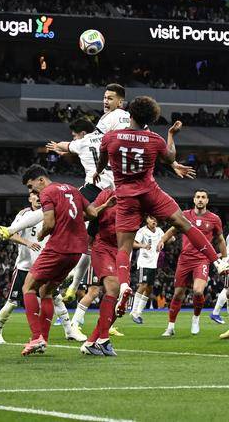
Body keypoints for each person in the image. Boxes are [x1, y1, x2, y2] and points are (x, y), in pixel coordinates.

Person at [93, 97, 228, 317]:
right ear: (151, 119)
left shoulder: (111, 137)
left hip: (125, 196)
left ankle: (125, 285)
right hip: (150, 193)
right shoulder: (154, 140)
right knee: (185, 224)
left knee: (124, 248)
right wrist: (171, 135)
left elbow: (102, 159)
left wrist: (98, 172)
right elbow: (171, 157)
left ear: (130, 114)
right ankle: (218, 262)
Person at [45, 83, 130, 302]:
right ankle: (74, 285)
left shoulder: (90, 137)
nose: (105, 101)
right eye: (105, 98)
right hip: (114, 194)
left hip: (94, 189)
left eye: (109, 98)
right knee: (91, 241)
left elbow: (69, 145)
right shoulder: (114, 135)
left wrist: (59, 146)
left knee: (61, 209)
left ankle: (18, 231)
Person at [17, 165, 113, 356]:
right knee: (46, 291)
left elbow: (49, 222)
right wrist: (105, 206)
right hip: (77, 251)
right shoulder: (72, 189)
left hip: (58, 246)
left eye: (31, 186)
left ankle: (36, 337)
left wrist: (41, 234)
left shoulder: (47, 192)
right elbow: (92, 214)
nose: (33, 192)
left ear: (41, 180)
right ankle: (43, 340)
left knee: (28, 287)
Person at [0, 192, 82, 344]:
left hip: (44, 265)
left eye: (39, 195)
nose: (38, 198)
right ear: (29, 198)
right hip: (24, 266)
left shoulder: (50, 212)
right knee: (12, 302)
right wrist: (28, 243)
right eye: (34, 195)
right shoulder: (24, 214)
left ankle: (69, 331)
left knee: (56, 298)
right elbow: (10, 233)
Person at [157, 189, 227, 336]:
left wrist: (225, 259)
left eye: (203, 197)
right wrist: (162, 240)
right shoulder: (185, 215)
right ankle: (170, 327)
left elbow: (220, 240)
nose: (200, 199)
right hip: (184, 259)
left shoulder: (214, 219)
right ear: (194, 200)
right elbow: (172, 230)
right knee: (178, 294)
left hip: (202, 260)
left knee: (198, 291)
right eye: (198, 197)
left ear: (207, 200)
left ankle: (195, 319)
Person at [79, 188, 120, 356]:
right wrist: (106, 205)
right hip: (102, 247)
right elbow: (88, 214)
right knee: (111, 288)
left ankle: (90, 342)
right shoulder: (107, 194)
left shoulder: (140, 199)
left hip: (122, 251)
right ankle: (103, 339)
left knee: (121, 303)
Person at [129, 215, 171, 324]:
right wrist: (143, 245)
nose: (154, 221)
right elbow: (133, 244)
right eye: (152, 219)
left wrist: (171, 239)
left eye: (155, 219)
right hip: (143, 263)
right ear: (147, 220)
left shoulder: (159, 231)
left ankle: (139, 313)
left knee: (149, 289)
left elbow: (166, 239)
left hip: (153, 264)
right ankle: (133, 312)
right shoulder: (142, 231)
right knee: (143, 285)